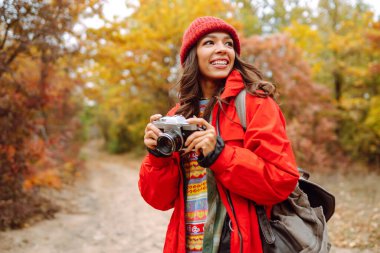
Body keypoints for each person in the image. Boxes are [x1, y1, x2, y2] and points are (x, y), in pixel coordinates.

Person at [139, 16, 299, 253]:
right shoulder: (177, 116)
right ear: (192, 55)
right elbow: (159, 200)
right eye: (210, 43)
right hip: (186, 246)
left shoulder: (255, 104)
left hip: (240, 244)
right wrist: (157, 156)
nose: (222, 49)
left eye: (228, 44)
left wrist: (220, 154)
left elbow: (281, 179)